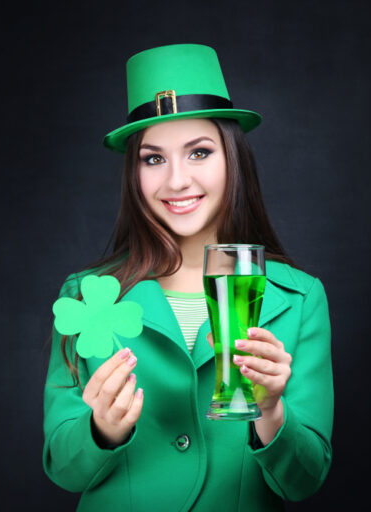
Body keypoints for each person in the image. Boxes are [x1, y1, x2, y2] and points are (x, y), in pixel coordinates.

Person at [42, 44, 333, 511]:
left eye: (198, 152)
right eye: (153, 159)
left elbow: (305, 480)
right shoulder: (87, 297)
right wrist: (101, 429)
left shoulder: (297, 300)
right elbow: (62, 465)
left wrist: (273, 412)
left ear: (232, 159)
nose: (176, 181)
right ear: (133, 173)